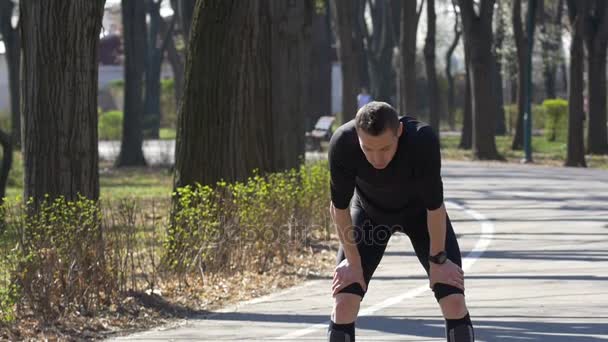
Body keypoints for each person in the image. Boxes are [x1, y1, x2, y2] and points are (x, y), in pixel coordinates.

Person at [327, 102, 474, 342]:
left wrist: (439, 260)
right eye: (368, 149)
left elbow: (434, 208)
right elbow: (339, 208)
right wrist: (353, 264)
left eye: (385, 148)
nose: (377, 158)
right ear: (357, 137)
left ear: (399, 132)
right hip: (369, 216)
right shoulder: (343, 142)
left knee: (454, 300)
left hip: (421, 217)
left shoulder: (421, 141)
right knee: (344, 302)